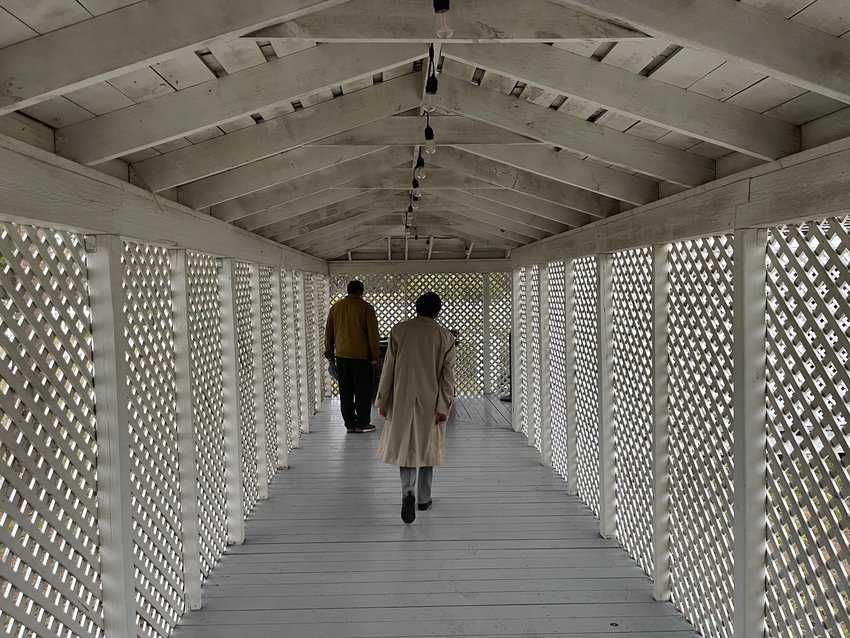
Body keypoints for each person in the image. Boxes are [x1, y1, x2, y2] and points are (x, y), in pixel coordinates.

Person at [375, 292, 457, 524]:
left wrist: (383, 400)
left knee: (406, 449)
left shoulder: (399, 331)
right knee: (428, 447)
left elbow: (388, 368)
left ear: (417, 308)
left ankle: (407, 491)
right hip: (430, 401)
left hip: (402, 397)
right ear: (437, 311)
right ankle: (423, 498)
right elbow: (447, 377)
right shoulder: (444, 336)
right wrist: (443, 406)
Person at [324, 280, 380, 433]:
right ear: (361, 292)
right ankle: (362, 423)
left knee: (346, 391)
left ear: (348, 291)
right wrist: (374, 356)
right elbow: (373, 335)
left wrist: (330, 354)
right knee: (363, 391)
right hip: (362, 358)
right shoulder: (366, 308)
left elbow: (329, 332)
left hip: (342, 356)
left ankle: (349, 424)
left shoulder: (336, 307)